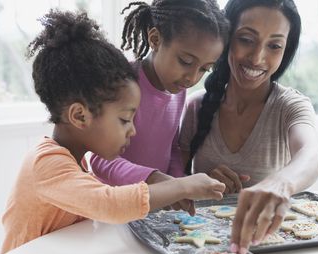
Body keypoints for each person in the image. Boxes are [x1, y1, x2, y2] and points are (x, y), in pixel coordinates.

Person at [1, 10, 225, 254]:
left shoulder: (73, 165)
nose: (132, 130)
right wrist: (184, 186)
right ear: (79, 116)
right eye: (125, 120)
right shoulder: (47, 165)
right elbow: (109, 203)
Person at [179, 0, 318, 254]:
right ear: (226, 38)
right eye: (246, 39)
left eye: (274, 45)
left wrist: (280, 184)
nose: (258, 58)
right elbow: (176, 186)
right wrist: (198, 184)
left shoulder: (291, 106)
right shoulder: (195, 106)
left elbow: (311, 157)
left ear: (285, 50)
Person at [89, 0, 229, 215]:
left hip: (152, 211)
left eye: (204, 69)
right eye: (185, 61)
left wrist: (178, 184)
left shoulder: (178, 90)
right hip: (113, 210)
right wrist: (158, 179)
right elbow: (100, 160)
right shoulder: (121, 86)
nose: (192, 78)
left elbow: (171, 148)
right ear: (154, 39)